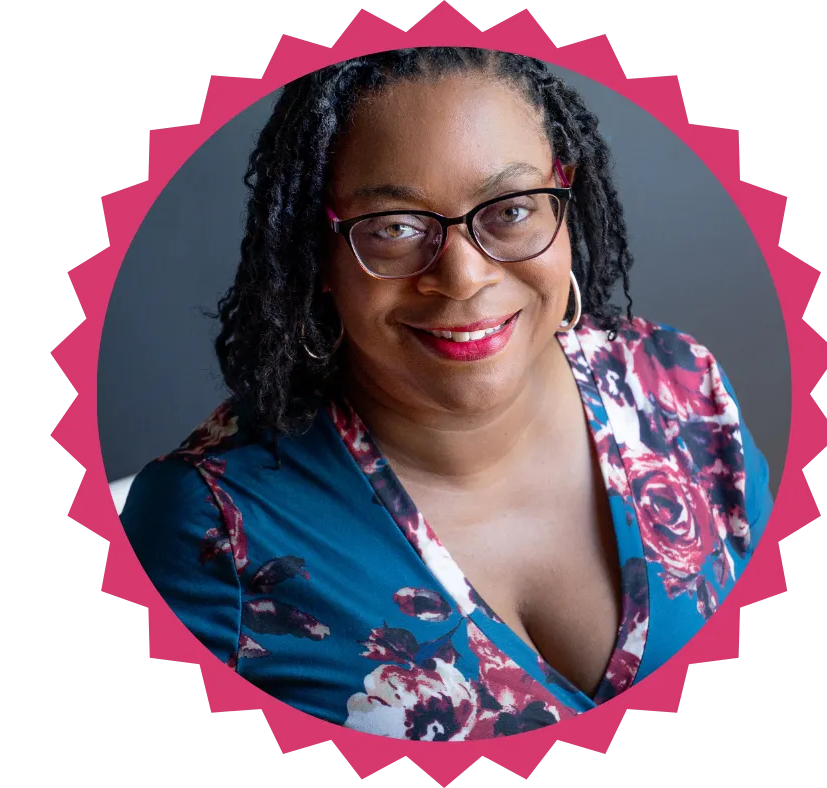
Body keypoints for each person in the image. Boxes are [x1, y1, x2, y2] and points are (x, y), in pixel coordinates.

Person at [120, 46, 774, 741]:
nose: (462, 277)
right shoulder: (209, 530)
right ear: (318, 252)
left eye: (512, 209)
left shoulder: (676, 386)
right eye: (396, 228)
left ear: (564, 198)